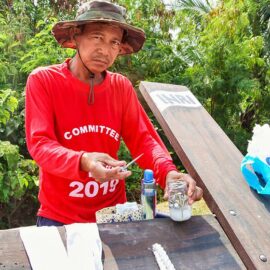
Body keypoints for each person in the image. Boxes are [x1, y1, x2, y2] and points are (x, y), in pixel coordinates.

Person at [25, 0, 203, 227]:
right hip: (60, 218)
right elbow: (40, 144)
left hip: (114, 215)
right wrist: (84, 161)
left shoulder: (121, 87)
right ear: (76, 36)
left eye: (114, 42)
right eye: (97, 37)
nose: (105, 50)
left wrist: (167, 172)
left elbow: (143, 140)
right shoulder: (44, 81)